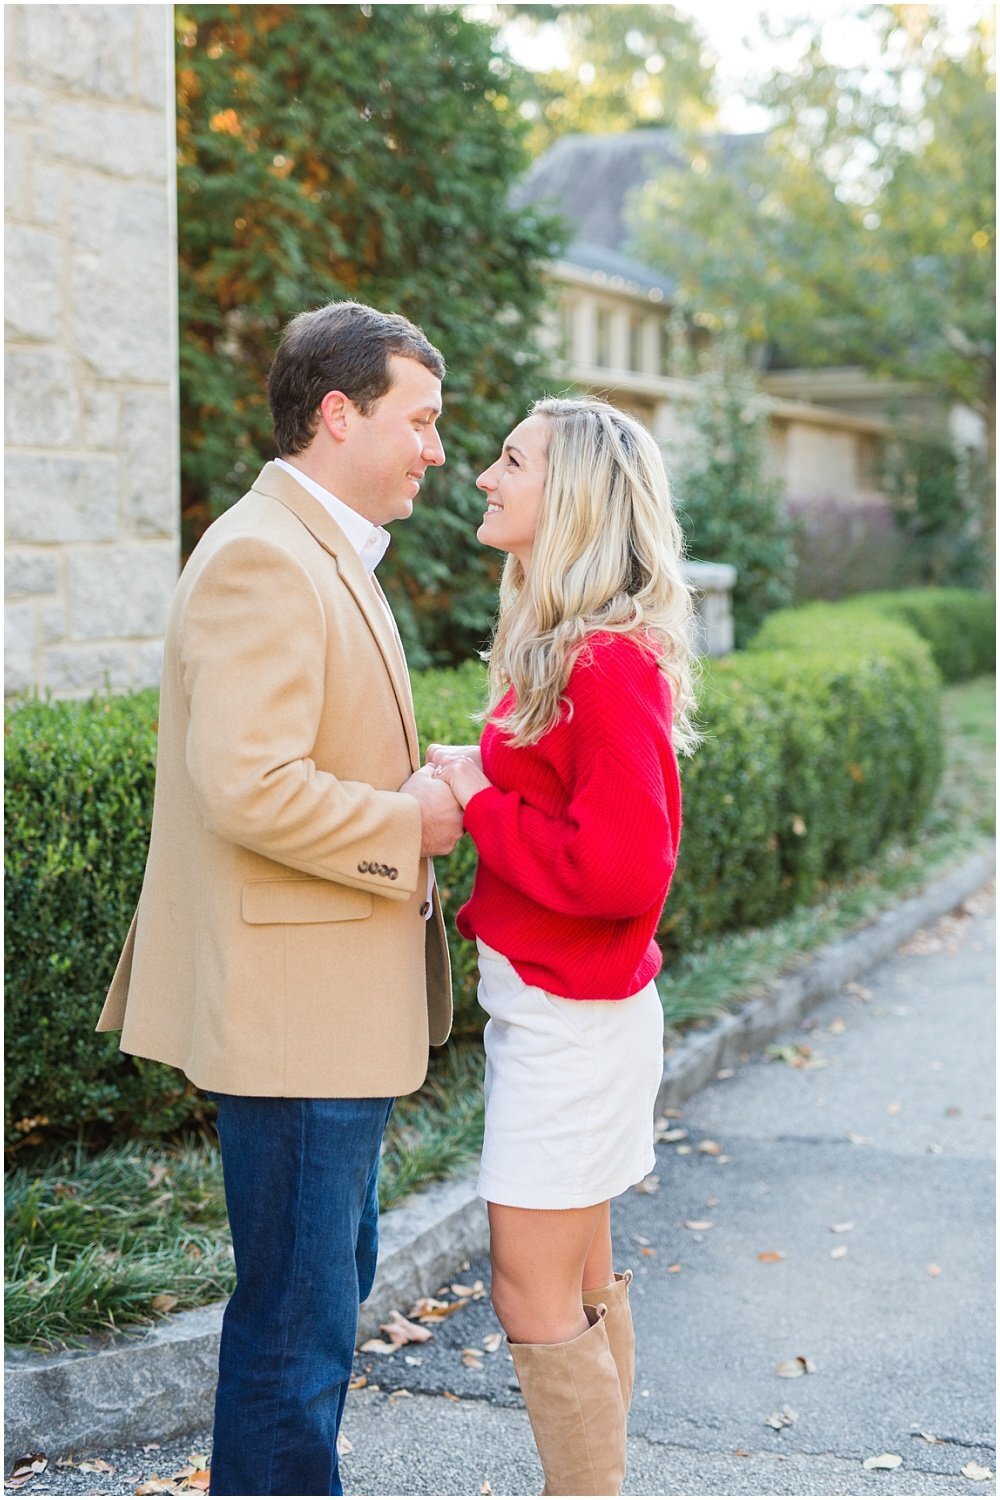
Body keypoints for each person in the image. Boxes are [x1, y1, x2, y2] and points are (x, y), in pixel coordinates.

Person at [96, 300, 465, 1497]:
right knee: (294, 1334)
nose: (436, 449)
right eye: (420, 421)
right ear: (338, 413)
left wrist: (420, 777)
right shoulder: (265, 554)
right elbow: (246, 787)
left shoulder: (318, 547)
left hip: (326, 1021)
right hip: (294, 1023)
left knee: (313, 1304)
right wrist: (410, 823)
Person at [427, 395, 699, 1496]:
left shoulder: (602, 665)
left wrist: (483, 801)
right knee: (578, 1285)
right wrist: (485, 773)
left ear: (574, 494)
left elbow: (625, 869)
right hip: (565, 1014)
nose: (487, 476)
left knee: (531, 1299)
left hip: (571, 1030)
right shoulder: (571, 651)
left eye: (512, 460)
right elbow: (561, 804)